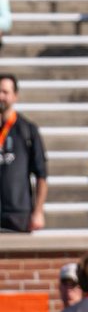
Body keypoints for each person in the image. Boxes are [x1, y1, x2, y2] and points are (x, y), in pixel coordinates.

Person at [0, 73, 48, 232]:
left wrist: (39, 211)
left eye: (5, 92)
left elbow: (41, 174)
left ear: (15, 96)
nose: (1, 96)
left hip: (18, 214)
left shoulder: (27, 129)